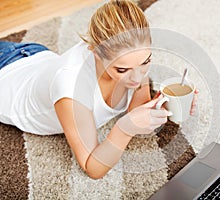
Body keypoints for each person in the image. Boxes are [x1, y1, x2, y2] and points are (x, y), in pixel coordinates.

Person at [0, 0, 197, 179]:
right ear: (95, 52)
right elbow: (92, 168)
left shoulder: (130, 54)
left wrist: (166, 104)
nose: (138, 77)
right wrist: (123, 128)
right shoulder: (71, 87)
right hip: (6, 72)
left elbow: (138, 109)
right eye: (122, 69)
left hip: (35, 53)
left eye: (146, 62)